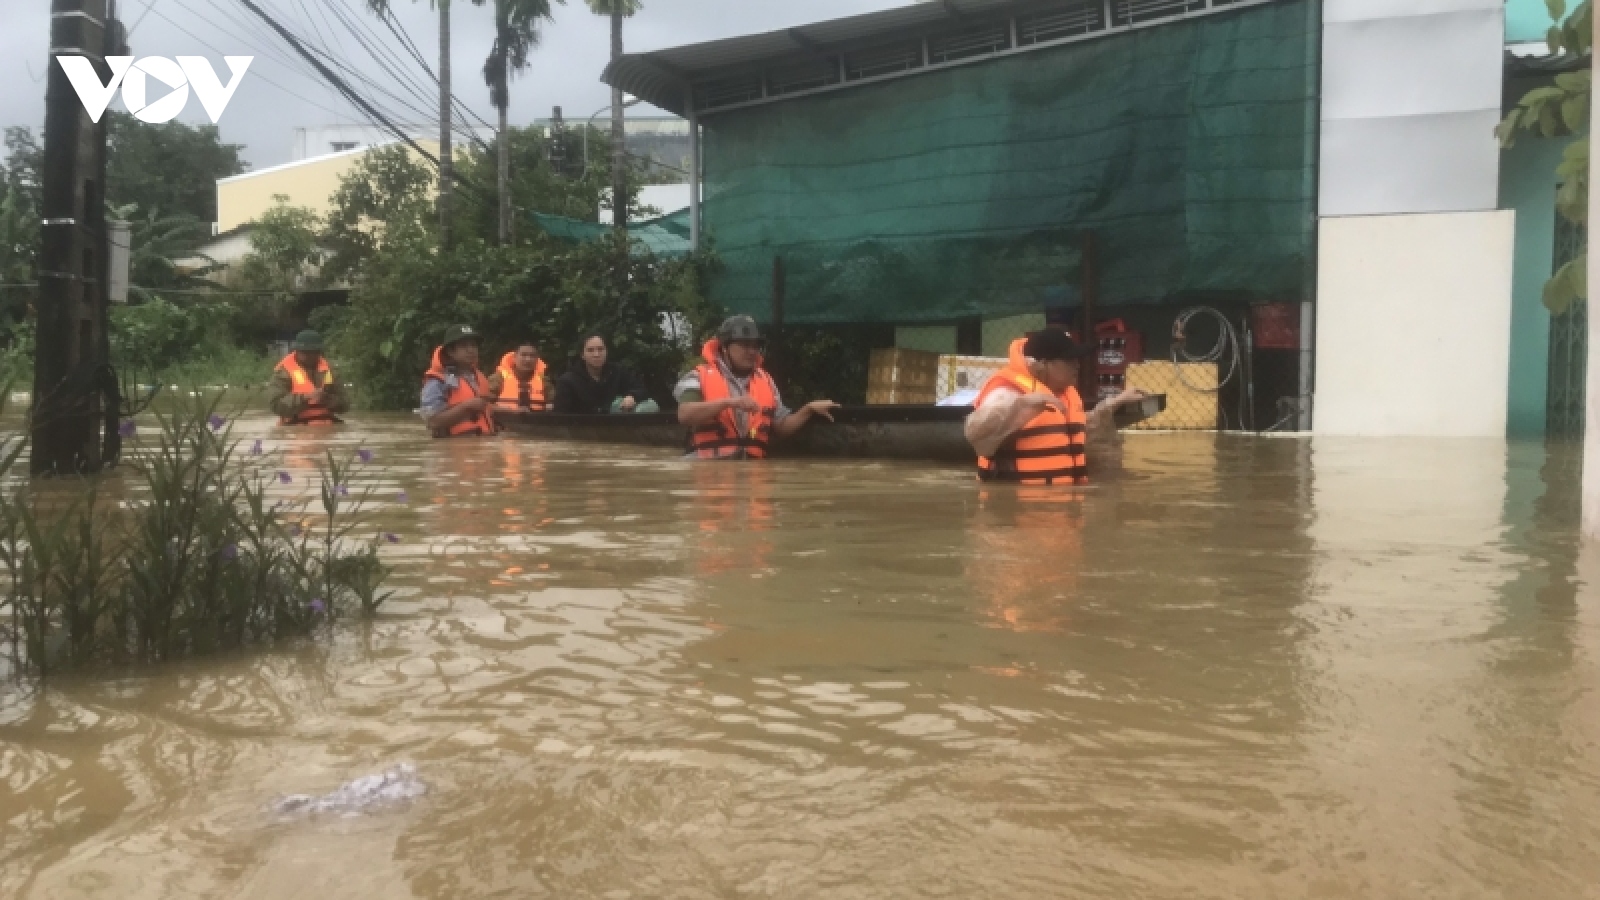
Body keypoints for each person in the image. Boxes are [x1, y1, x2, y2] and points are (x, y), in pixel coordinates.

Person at [963, 329, 1145, 485]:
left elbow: (1080, 430)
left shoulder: (1065, 393)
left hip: (1061, 506)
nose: (1077, 365)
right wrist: (1021, 406)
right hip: (1016, 514)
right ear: (1042, 364)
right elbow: (975, 433)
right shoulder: (1007, 391)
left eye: (1077, 359)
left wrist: (1114, 403)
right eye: (1069, 360)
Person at [675, 315, 839, 459]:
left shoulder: (766, 380)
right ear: (724, 347)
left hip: (751, 472)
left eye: (755, 346)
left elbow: (781, 427)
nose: (752, 351)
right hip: (706, 470)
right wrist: (730, 402)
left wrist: (808, 409)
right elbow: (685, 415)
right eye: (745, 345)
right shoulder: (698, 376)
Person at [421, 324, 497, 438]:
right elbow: (433, 421)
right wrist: (465, 406)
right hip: (453, 449)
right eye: (464, 346)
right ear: (451, 351)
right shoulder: (437, 381)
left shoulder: (480, 377)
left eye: (473, 345)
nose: (471, 350)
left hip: (482, 446)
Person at [551, 334, 658, 415]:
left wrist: (632, 396)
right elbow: (560, 417)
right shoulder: (567, 381)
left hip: (617, 429)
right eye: (590, 350)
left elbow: (641, 389)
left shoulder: (618, 371)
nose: (596, 354)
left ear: (606, 351)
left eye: (600, 349)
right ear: (582, 355)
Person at [268, 330, 349, 426]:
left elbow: (345, 404)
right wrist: (307, 397)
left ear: (319, 352)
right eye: (306, 352)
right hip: (295, 428)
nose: (310, 356)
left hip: (327, 428)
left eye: (314, 352)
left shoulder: (330, 370)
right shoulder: (283, 373)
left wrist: (328, 400)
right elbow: (276, 406)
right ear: (297, 351)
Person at [493, 341, 549, 413]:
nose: (528, 359)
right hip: (504, 422)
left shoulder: (544, 381)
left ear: (537, 359)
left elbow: (554, 404)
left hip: (536, 422)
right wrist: (512, 411)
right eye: (523, 355)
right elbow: (486, 405)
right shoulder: (498, 378)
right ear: (514, 358)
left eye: (532, 356)